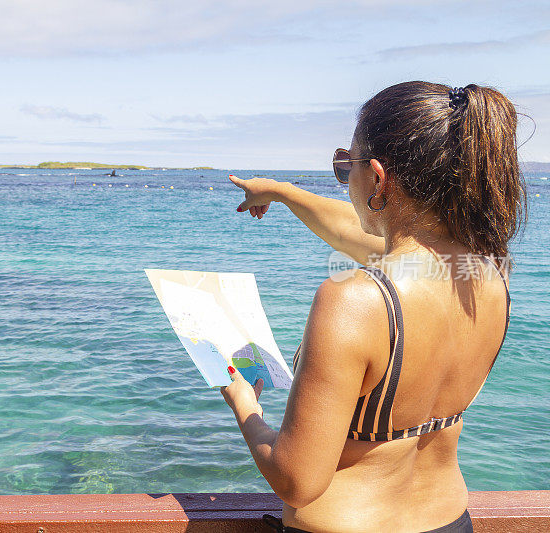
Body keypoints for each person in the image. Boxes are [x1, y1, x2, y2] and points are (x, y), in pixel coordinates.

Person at [224, 81, 525, 532]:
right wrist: (283, 192)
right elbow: (358, 234)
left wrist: (245, 406)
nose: (345, 179)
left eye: (348, 166)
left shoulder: (354, 299)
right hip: (449, 519)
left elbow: (297, 480)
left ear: (378, 177)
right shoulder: (490, 274)